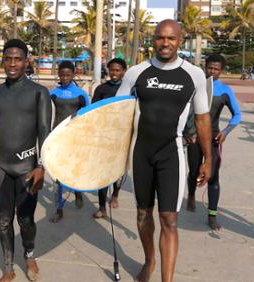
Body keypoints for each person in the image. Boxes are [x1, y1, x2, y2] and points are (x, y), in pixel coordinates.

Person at [116, 19, 212, 282]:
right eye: (160, 38)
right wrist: (112, 158)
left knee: (169, 219)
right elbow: (117, 114)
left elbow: (203, 119)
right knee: (142, 214)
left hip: (172, 153)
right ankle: (149, 261)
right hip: (141, 154)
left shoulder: (194, 74)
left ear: (180, 41)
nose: (165, 43)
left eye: (171, 38)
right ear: (153, 39)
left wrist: (207, 160)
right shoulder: (136, 73)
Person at [0, 39, 52, 282]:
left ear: (27, 61)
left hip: (28, 167)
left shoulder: (39, 92)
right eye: (8, 59)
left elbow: (45, 130)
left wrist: (42, 166)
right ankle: (8, 268)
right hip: (2, 167)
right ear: (3, 61)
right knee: (4, 220)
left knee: (25, 220)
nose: (12, 64)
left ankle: (29, 253)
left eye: (17, 59)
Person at [186, 54, 242, 230]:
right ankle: (191, 195)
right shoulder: (195, 87)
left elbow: (237, 115)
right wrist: (187, 132)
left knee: (213, 177)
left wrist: (226, 131)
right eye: (209, 67)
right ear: (205, 67)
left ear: (221, 71)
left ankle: (212, 215)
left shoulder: (225, 91)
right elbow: (186, 111)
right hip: (195, 138)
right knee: (194, 170)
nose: (212, 71)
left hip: (214, 139)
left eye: (216, 69)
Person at [48, 60, 90, 223]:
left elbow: (88, 117)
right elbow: (47, 115)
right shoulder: (53, 93)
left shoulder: (81, 94)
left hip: (75, 139)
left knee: (74, 170)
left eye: (68, 75)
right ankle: (59, 209)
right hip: (57, 139)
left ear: (73, 75)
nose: (64, 78)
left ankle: (78, 192)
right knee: (57, 175)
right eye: (62, 74)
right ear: (58, 74)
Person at [91, 58, 127, 219]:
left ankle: (115, 194)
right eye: (112, 70)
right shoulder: (101, 89)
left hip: (121, 136)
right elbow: (93, 111)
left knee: (117, 171)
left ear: (124, 71)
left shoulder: (129, 90)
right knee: (103, 172)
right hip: (104, 136)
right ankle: (101, 207)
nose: (114, 73)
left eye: (118, 70)